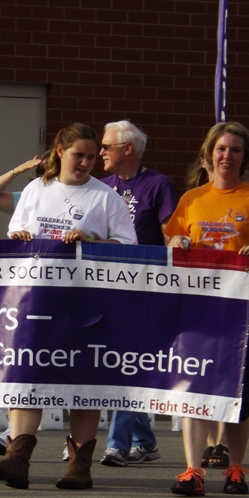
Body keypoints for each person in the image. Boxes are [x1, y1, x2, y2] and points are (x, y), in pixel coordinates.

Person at [0, 123, 137, 490]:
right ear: (60, 152)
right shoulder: (37, 189)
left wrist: (91, 240)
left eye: (91, 156)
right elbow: (16, 238)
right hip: (36, 301)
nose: (85, 163)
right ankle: (17, 459)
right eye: (78, 155)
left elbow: (129, 246)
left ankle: (79, 466)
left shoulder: (106, 197)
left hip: (87, 303)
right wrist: (20, 237)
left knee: (83, 381)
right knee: (27, 376)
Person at [165, 121, 249, 496]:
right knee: (195, 389)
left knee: (239, 395)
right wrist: (177, 241)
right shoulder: (192, 199)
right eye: (220, 149)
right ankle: (193, 471)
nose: (227, 156)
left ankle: (235, 469)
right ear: (208, 155)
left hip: (245, 313)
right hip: (198, 311)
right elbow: (171, 240)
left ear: (244, 157)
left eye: (235, 150)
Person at [97, 120, 180, 467]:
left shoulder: (158, 185)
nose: (101, 152)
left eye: (107, 146)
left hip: (145, 289)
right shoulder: (102, 187)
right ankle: (144, 441)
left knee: (128, 365)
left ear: (127, 148)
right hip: (108, 288)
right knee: (120, 364)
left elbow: (170, 234)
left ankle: (117, 444)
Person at [0, 151, 50, 456]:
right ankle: (14, 433)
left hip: (62, 287)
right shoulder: (30, 195)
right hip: (29, 288)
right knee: (23, 358)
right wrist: (18, 169)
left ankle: (75, 442)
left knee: (62, 361)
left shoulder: (85, 196)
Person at [0, 150, 51, 214]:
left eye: (50, 169)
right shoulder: (28, 199)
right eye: (41, 170)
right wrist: (16, 171)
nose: (45, 175)